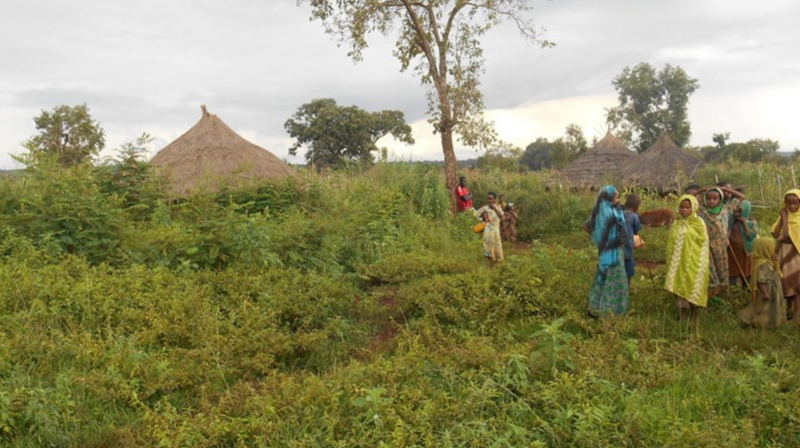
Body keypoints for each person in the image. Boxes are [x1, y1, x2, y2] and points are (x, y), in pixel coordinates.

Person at [583, 186, 629, 317]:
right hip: (615, 252)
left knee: (602, 278)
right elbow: (622, 231)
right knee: (616, 280)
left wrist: (601, 241)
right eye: (616, 197)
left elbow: (586, 226)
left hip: (603, 252)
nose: (618, 200)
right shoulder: (613, 214)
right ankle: (611, 311)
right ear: (609, 198)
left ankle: (594, 308)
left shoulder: (597, 212)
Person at [665, 195, 710, 320]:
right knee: (680, 288)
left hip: (694, 263)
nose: (684, 210)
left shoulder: (699, 223)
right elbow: (671, 244)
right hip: (679, 264)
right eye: (682, 207)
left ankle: (694, 314)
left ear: (693, 208)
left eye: (687, 207)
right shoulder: (676, 223)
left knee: (693, 286)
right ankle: (682, 316)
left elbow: (703, 242)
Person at [696, 185, 745, 298]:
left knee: (722, 269)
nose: (711, 201)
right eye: (708, 198)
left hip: (721, 245)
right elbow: (687, 199)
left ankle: (723, 295)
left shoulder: (726, 209)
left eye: (715, 198)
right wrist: (700, 190)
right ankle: (711, 294)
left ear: (720, 199)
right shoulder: (702, 210)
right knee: (710, 270)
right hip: (707, 245)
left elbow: (742, 197)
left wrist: (726, 190)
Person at [737, 237, 787, 328]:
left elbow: (778, 272)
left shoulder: (768, 261)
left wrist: (775, 260)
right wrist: (764, 292)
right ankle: (760, 323)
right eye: (771, 248)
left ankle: (771, 322)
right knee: (764, 308)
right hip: (768, 290)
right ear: (765, 249)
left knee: (772, 307)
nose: (773, 250)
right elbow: (761, 280)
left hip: (773, 290)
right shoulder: (763, 264)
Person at [771, 189, 800, 320]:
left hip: (796, 254)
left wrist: (784, 217)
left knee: (797, 283)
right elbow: (776, 234)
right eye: (789, 203)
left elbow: (787, 236)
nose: (792, 206)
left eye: (795, 203)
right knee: (786, 281)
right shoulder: (783, 215)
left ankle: (796, 314)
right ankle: (788, 310)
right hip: (784, 252)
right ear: (785, 203)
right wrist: (783, 218)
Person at [727, 200, 757, 288]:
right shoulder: (731, 222)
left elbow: (750, 236)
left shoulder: (751, 223)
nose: (736, 214)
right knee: (732, 272)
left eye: (739, 212)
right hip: (732, 252)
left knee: (746, 272)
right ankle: (733, 290)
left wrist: (744, 223)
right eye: (735, 212)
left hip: (745, 253)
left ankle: (746, 289)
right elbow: (727, 234)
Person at [473, 192, 504, 262]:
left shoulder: (498, 207)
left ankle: (498, 260)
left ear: (495, 199)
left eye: (491, 199)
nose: (489, 201)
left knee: (496, 244)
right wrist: (482, 220)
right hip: (487, 229)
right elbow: (475, 214)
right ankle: (489, 260)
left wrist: (495, 208)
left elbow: (501, 216)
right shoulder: (485, 208)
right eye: (488, 199)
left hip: (495, 230)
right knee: (487, 245)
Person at [622, 194, 643, 286]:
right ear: (636, 207)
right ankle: (626, 290)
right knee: (628, 271)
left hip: (615, 248)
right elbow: (636, 231)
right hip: (627, 249)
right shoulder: (634, 216)